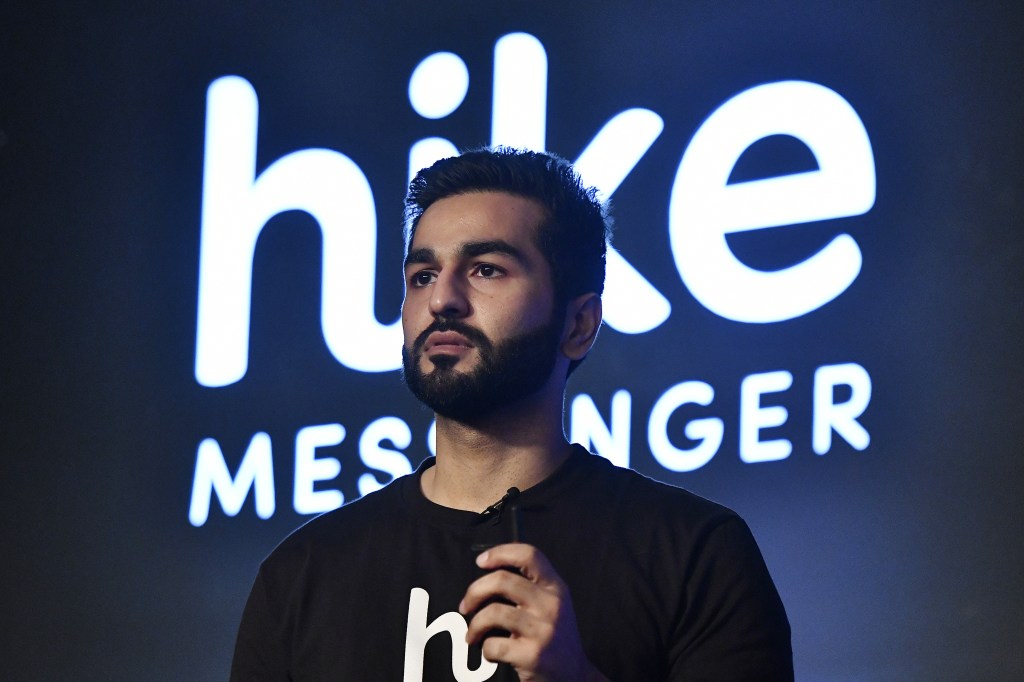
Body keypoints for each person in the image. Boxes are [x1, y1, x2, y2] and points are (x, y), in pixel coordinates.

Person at [230, 147, 793, 681]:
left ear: (579, 325)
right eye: (422, 276)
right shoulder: (303, 574)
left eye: (486, 269)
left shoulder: (694, 553)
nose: (442, 299)